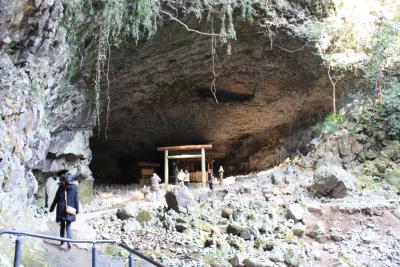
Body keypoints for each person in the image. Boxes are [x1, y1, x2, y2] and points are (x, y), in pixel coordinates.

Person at [50, 172, 79, 249]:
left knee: (62, 226)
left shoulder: (61, 187)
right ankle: (69, 240)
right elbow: (76, 200)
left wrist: (51, 208)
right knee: (68, 226)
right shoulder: (74, 187)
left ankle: (62, 242)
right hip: (70, 209)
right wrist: (77, 210)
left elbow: (56, 198)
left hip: (61, 208)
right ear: (71, 179)